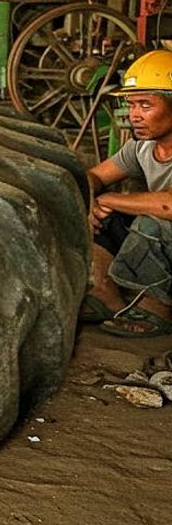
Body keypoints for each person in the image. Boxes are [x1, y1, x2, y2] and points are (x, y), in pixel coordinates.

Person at [83, 49, 172, 337]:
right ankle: (105, 293)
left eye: (146, 105)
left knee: (150, 223)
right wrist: (90, 203)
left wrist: (106, 199)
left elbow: (168, 205)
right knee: (102, 214)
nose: (134, 115)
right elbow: (94, 176)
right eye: (131, 104)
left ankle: (157, 307)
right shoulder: (142, 146)